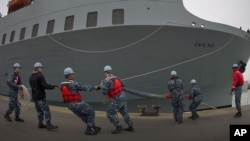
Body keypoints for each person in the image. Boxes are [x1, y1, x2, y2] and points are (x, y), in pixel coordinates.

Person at [60, 67, 101, 135]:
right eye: (72, 74)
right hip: (77, 103)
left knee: (83, 116)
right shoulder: (73, 83)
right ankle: (88, 130)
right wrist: (96, 87)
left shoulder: (62, 84)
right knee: (91, 112)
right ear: (69, 75)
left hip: (70, 105)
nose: (73, 75)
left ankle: (94, 127)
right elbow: (84, 87)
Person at [101, 65, 134, 134]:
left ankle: (118, 127)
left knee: (109, 113)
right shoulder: (116, 77)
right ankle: (130, 126)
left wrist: (102, 87)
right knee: (124, 112)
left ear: (105, 72)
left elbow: (104, 92)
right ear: (110, 71)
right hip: (123, 96)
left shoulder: (106, 81)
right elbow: (123, 85)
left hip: (117, 98)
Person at [29, 62, 59, 129]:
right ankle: (48, 124)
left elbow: (32, 86)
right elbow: (44, 85)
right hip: (41, 97)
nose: (42, 69)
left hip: (35, 97)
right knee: (46, 110)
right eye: (41, 68)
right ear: (38, 68)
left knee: (39, 111)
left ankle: (40, 124)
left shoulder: (31, 76)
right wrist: (53, 87)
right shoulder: (40, 75)